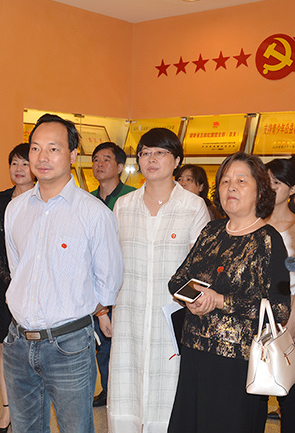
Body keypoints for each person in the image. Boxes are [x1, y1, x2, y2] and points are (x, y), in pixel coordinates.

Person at [3, 114, 123, 433]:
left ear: (72, 155)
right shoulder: (15, 209)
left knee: (76, 428)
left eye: (53, 148)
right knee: (25, 428)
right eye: (35, 148)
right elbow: (18, 270)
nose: (42, 157)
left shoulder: (94, 213)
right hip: (18, 342)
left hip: (69, 345)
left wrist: (76, 305)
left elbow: (109, 282)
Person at [167, 152, 291, 433]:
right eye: (225, 181)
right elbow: (177, 281)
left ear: (260, 191)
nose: (231, 187)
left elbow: (279, 309)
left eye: (241, 181)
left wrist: (221, 301)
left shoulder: (268, 240)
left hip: (238, 365)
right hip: (195, 355)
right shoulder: (211, 231)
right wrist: (194, 298)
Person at [107, 128, 210, 433]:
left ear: (176, 160)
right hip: (129, 315)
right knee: (126, 392)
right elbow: (111, 263)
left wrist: (192, 307)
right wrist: (103, 310)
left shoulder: (192, 206)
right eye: (145, 153)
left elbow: (201, 270)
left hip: (172, 319)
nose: (151, 159)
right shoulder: (124, 206)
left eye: (160, 153)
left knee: (169, 397)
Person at [0, 143, 34, 433]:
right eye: (14, 163)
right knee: (6, 349)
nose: (19, 168)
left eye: (25, 163)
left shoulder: (44, 200)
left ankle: (30, 411)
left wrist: (27, 282)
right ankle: (7, 411)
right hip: (4, 286)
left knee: (34, 353)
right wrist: (12, 281)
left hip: (37, 288)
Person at [90, 141, 136, 408]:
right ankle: (107, 390)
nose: (99, 164)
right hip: (94, 283)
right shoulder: (87, 199)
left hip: (124, 281)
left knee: (121, 341)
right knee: (99, 341)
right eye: (96, 159)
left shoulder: (132, 198)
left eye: (106, 159)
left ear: (120, 167)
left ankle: (122, 393)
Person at [263, 158, 295, 432]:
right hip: (257, 317)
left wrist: (290, 323)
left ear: (292, 188)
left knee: (289, 396)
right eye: (267, 181)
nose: (271, 187)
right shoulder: (253, 223)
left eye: (277, 182)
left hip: (291, 320)